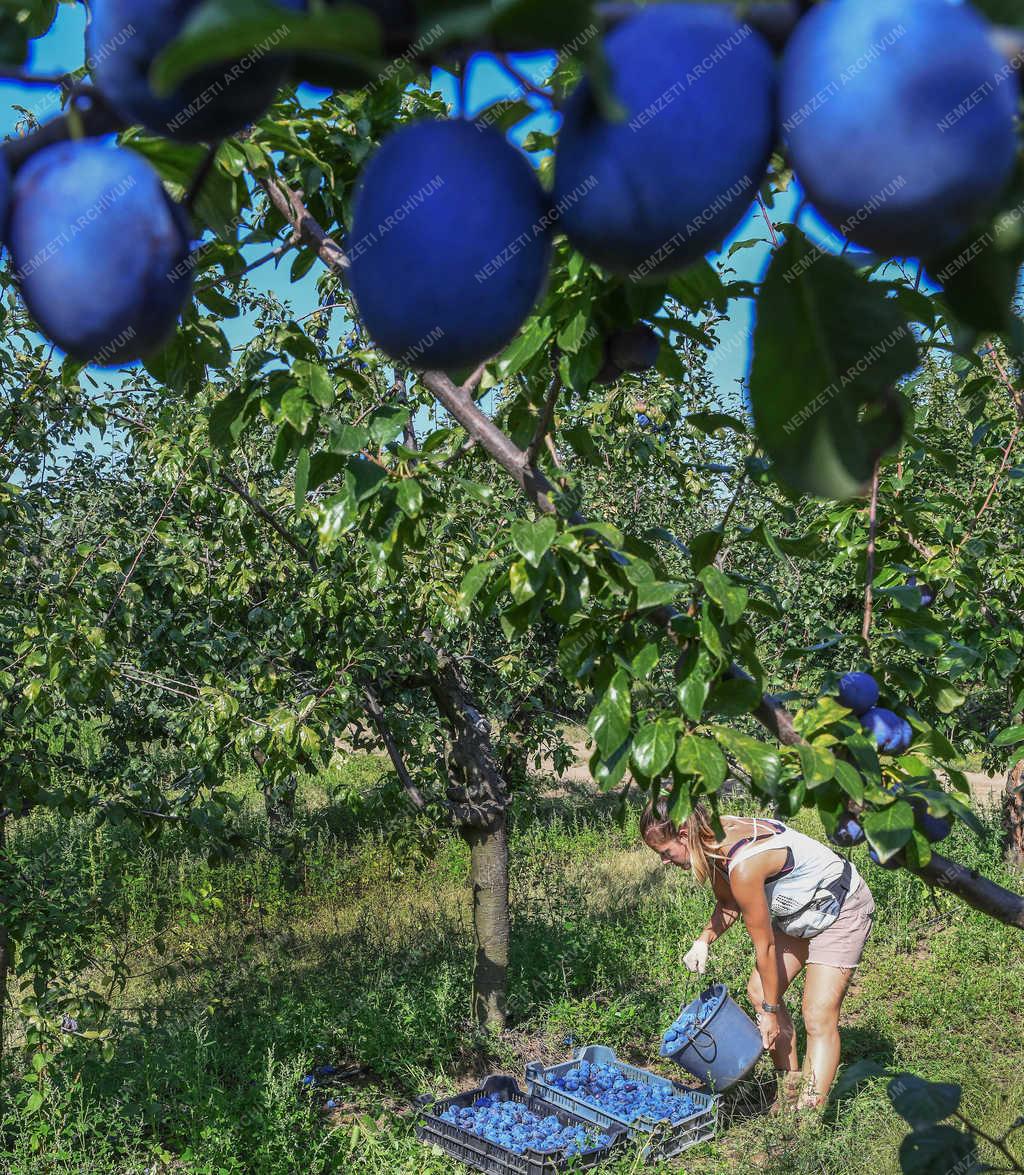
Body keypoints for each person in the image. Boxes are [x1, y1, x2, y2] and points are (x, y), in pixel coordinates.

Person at [641, 798, 875, 1112]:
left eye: (665, 853)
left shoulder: (744, 863)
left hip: (839, 908)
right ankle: (789, 1088)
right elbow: (728, 904)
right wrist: (703, 941)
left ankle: (807, 1118)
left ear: (684, 836)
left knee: (817, 1015)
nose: (665, 861)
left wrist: (771, 1011)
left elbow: (763, 946)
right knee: (759, 992)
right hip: (799, 913)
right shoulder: (710, 842)